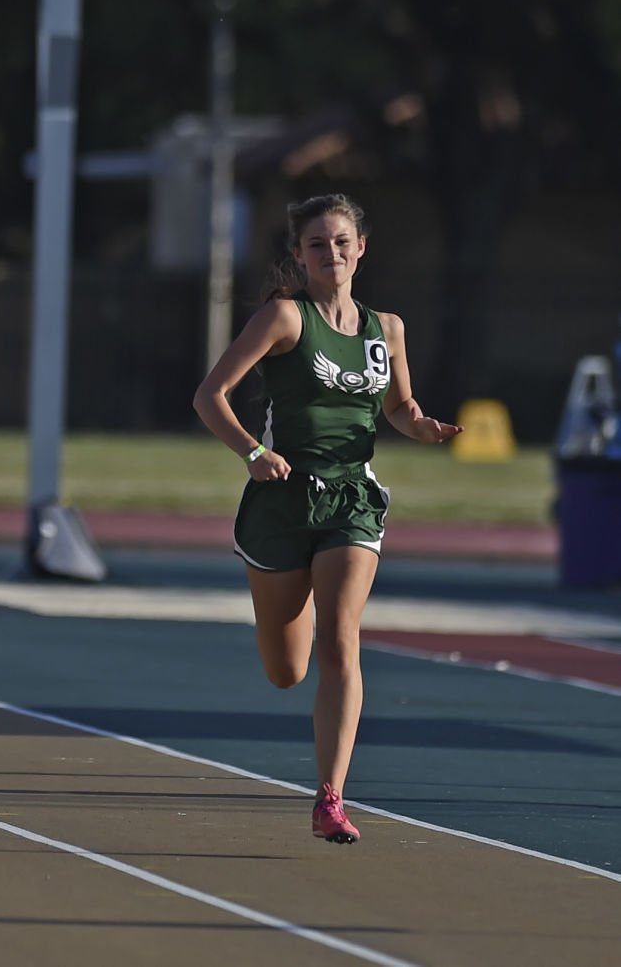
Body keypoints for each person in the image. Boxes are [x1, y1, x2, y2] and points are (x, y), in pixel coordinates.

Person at [194, 194, 462, 844]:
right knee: (285, 670)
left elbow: (397, 406)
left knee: (341, 636)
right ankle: (294, 609)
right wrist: (253, 452)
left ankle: (329, 798)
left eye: (341, 242)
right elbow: (209, 397)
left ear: (360, 249)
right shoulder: (283, 318)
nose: (331, 254)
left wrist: (418, 425)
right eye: (317, 244)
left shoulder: (387, 329)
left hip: (351, 499)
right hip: (281, 501)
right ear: (298, 255)